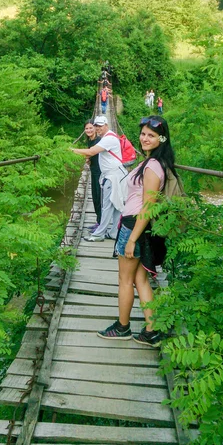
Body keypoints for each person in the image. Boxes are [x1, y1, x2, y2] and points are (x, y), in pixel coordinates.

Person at [97, 115, 177, 347]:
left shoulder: (152, 166)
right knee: (141, 279)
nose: (144, 138)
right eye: (143, 134)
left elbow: (148, 206)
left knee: (125, 279)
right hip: (138, 225)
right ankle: (151, 330)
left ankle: (123, 327)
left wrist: (132, 239)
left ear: (162, 139)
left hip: (134, 225)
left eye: (151, 135)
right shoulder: (152, 162)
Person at [71, 115, 128, 242]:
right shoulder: (107, 137)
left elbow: (91, 151)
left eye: (100, 126)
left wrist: (72, 150)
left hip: (113, 176)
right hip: (114, 175)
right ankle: (113, 232)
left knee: (107, 205)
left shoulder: (108, 139)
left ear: (106, 125)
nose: (98, 128)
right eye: (96, 126)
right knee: (116, 204)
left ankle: (99, 234)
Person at [84, 120, 102, 231]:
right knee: (95, 197)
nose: (89, 130)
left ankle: (101, 224)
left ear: (95, 128)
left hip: (100, 172)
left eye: (91, 128)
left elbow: (91, 152)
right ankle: (98, 222)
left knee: (99, 197)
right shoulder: (90, 140)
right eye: (86, 128)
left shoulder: (99, 140)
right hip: (94, 170)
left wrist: (73, 150)